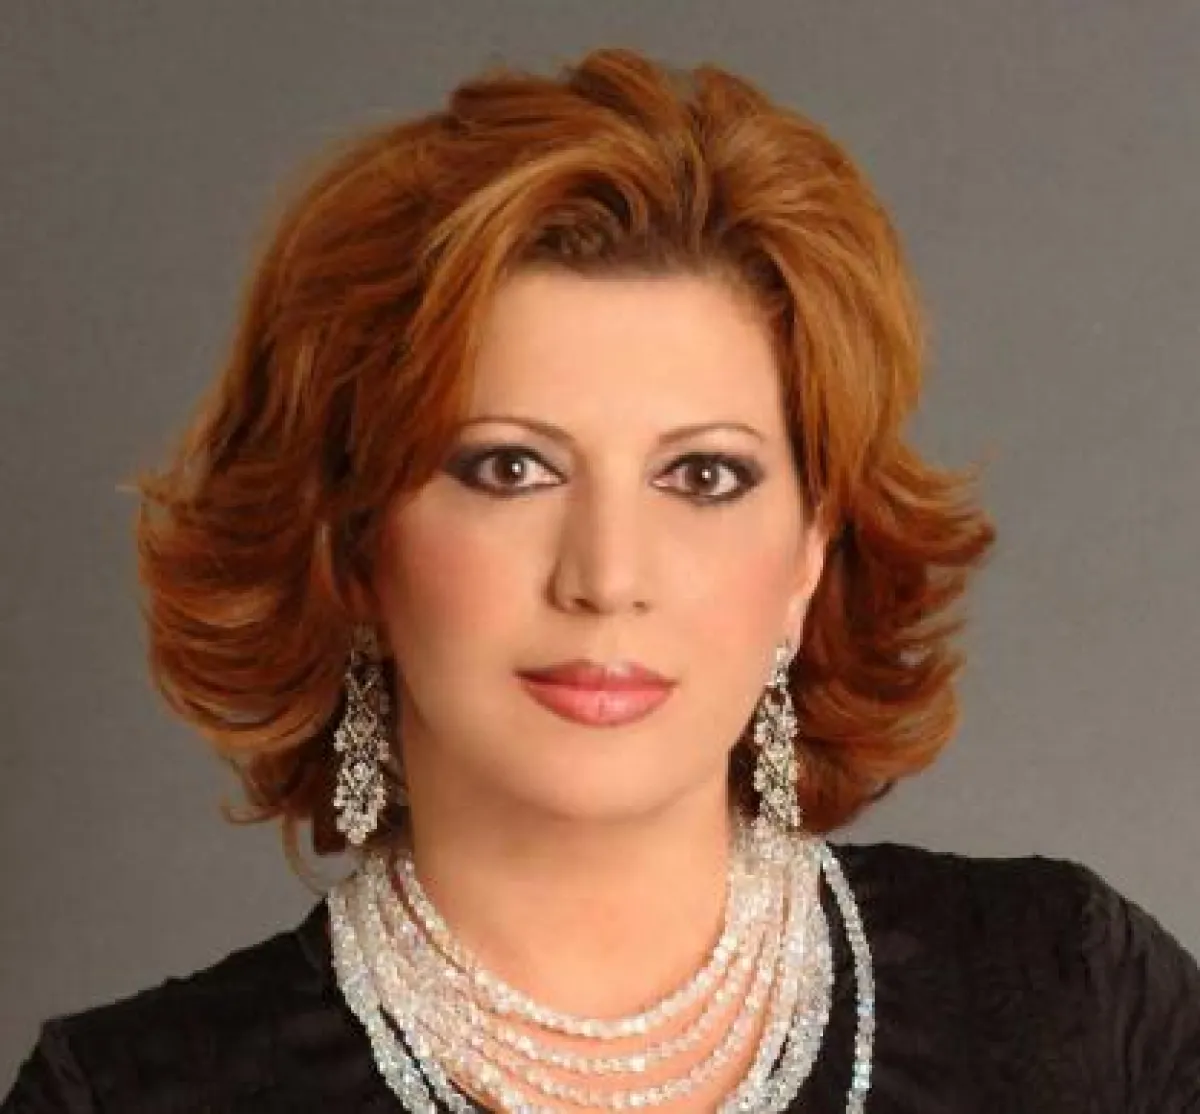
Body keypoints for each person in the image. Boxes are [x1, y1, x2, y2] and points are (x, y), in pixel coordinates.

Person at [5, 45, 1198, 1113]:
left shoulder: (1070, 1001)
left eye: (704, 475)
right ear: (353, 542)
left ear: (808, 553)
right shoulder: (127, 1095)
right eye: (510, 467)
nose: (608, 576)